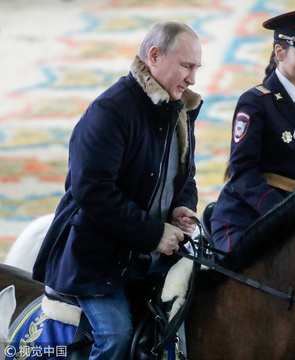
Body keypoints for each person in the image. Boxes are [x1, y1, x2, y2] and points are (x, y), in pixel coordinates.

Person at [32, 21, 203, 359]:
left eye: (196, 67)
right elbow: (92, 191)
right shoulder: (110, 110)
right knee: (116, 336)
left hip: (148, 258)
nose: (193, 78)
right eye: (186, 65)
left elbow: (186, 179)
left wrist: (180, 207)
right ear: (154, 56)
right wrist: (154, 233)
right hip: (96, 261)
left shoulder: (178, 111)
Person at [210, 9, 295, 255]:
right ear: (279, 52)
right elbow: (242, 172)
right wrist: (282, 211)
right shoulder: (255, 101)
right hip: (247, 216)